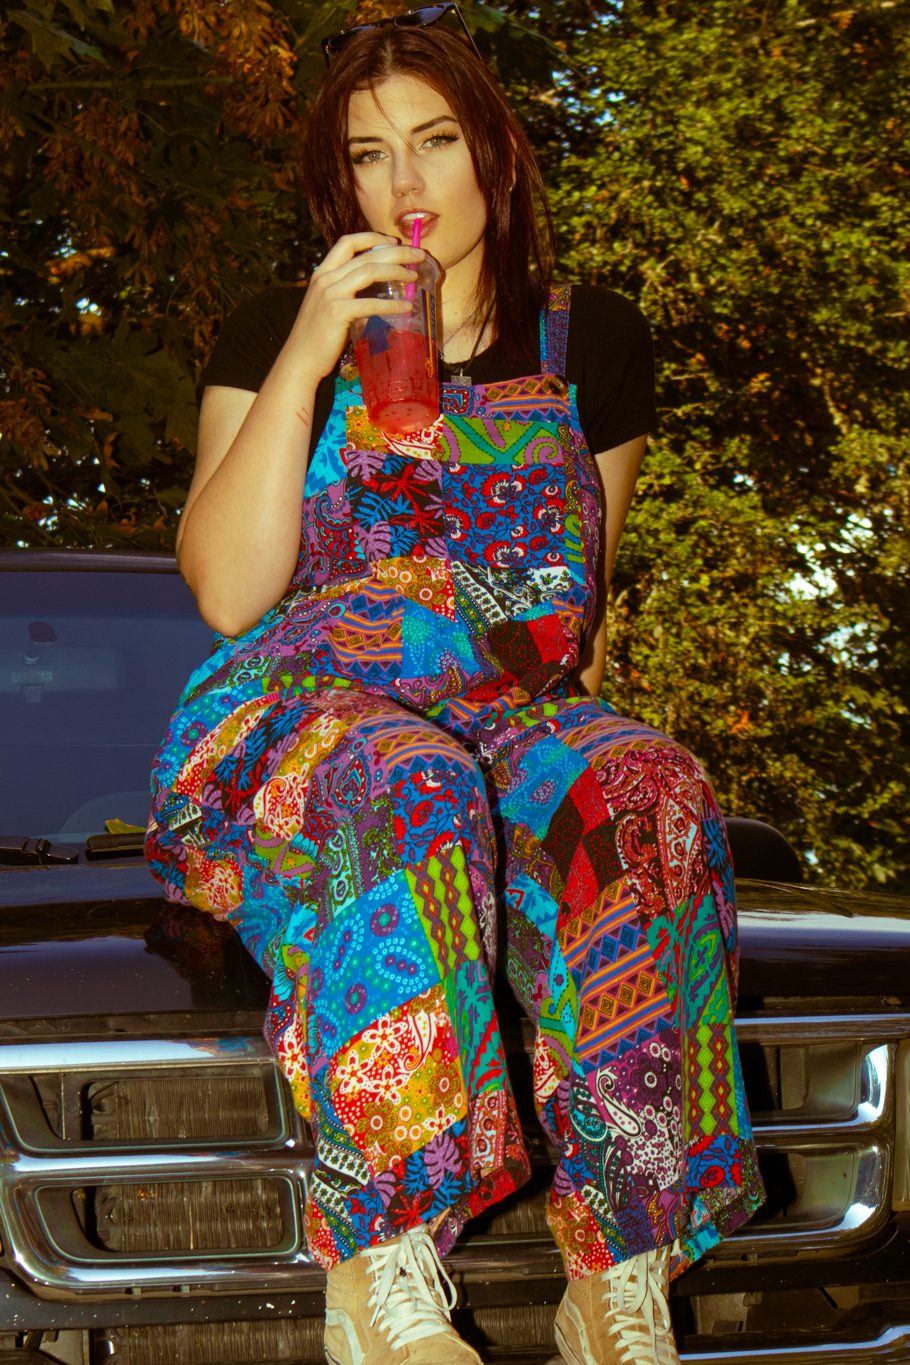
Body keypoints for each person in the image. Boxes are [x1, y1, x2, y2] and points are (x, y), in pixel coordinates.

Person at [146, 7, 765, 1363]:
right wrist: (310, 353)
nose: (405, 184)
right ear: (339, 182)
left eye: (432, 141)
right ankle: (381, 1266)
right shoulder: (276, 327)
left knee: (646, 785)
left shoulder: (590, 340)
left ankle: (617, 1272)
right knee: (409, 779)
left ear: (494, 150)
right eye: (369, 156)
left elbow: (566, 618)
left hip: (504, 707)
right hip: (297, 718)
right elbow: (228, 592)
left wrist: (461, 569)